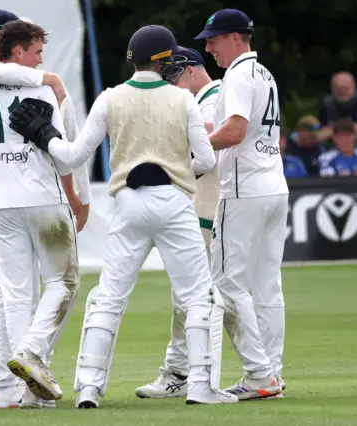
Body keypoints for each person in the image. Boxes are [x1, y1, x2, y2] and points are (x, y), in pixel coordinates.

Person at [9, 24, 238, 408]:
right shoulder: (183, 100)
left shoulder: (110, 98)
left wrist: (45, 134)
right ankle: (200, 386)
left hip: (128, 202)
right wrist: (176, 167)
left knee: (109, 296)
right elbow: (207, 159)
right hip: (174, 200)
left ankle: (88, 389)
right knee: (198, 296)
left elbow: (71, 156)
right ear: (166, 61)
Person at [0, 9, 89, 409]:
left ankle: (24, 389)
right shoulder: (43, 91)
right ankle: (33, 354)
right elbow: (64, 159)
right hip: (44, 199)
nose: (42, 59)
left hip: (0, 204)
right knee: (63, 282)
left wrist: (1, 154)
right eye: (38, 51)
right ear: (19, 51)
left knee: (14, 293)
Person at [194, 8, 287, 400]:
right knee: (267, 286)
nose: (209, 48)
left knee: (226, 283)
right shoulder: (264, 73)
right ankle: (272, 374)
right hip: (274, 185)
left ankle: (259, 375)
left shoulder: (236, 75)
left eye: (213, 40)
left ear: (235, 38)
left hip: (244, 187)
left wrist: (193, 148)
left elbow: (234, 130)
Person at [135, 46, 223, 399]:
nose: (168, 85)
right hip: (200, 209)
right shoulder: (206, 99)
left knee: (196, 297)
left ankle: (185, 374)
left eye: (172, 76)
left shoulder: (211, 100)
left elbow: (206, 153)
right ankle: (189, 372)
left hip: (206, 211)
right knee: (196, 296)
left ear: (188, 71)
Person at [319, 71, 357, 147]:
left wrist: (331, 131)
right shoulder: (327, 103)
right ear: (332, 88)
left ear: (354, 86)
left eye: (345, 88)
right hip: (338, 147)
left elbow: (353, 130)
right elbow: (323, 131)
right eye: (338, 88)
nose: (342, 91)